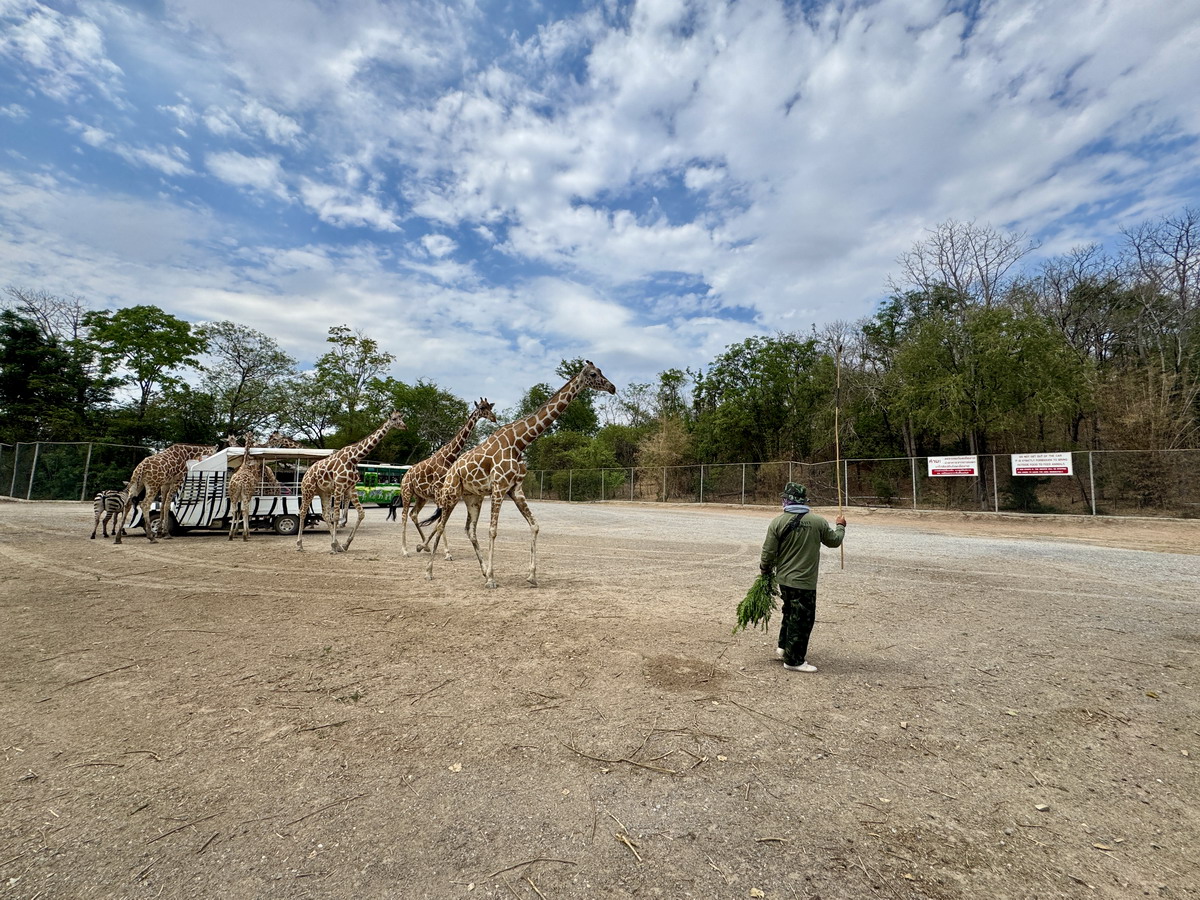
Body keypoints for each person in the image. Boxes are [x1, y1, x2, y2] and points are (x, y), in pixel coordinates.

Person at [759, 482, 846, 673]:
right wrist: (840, 526)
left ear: (786, 500)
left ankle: (784, 647)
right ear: (804, 500)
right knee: (802, 620)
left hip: (784, 580)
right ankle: (794, 660)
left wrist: (765, 570)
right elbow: (834, 541)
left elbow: (768, 552)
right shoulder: (818, 522)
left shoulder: (777, 522)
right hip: (805, 581)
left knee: (789, 612)